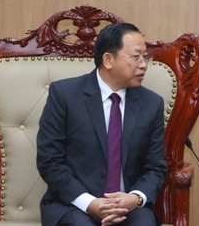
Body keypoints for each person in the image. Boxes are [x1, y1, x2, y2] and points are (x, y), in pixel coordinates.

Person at [37, 22, 168, 226]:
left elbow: (155, 167)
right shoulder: (64, 95)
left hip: (129, 207)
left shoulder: (151, 104)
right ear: (108, 59)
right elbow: (50, 161)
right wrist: (90, 203)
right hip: (74, 204)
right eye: (136, 57)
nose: (143, 64)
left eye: (145, 57)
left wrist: (135, 198)